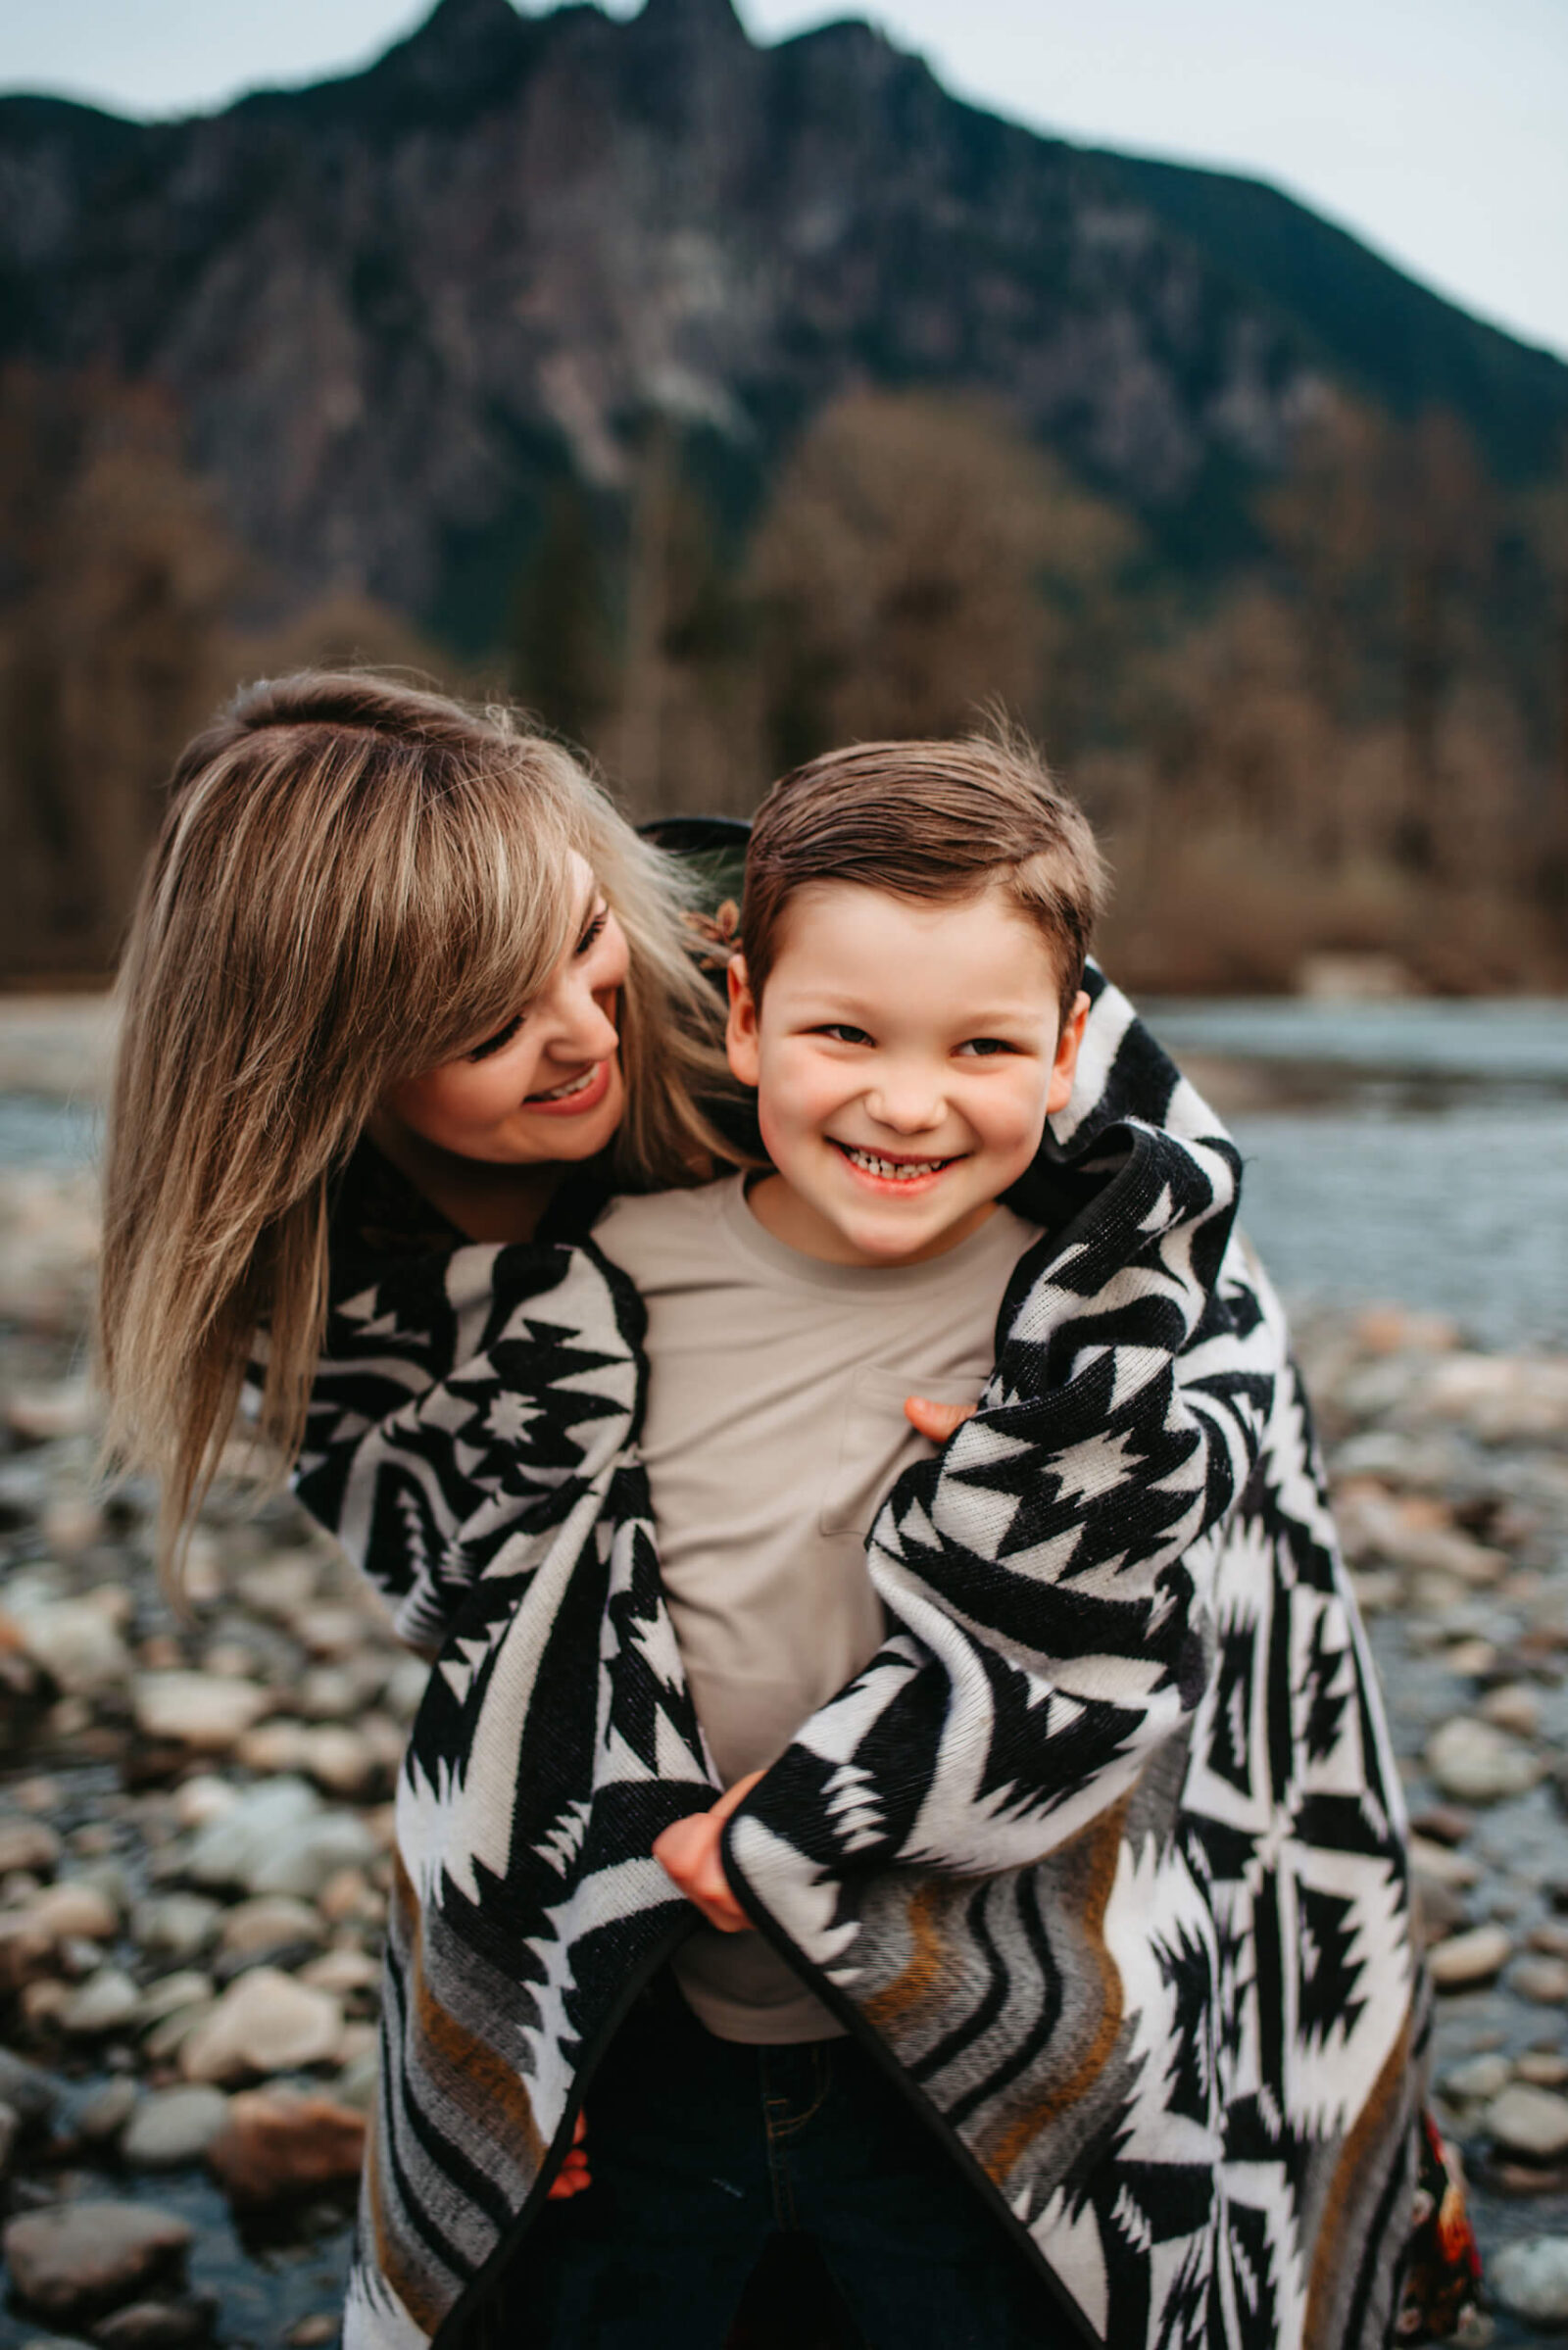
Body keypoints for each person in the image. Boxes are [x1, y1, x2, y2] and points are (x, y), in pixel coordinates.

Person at [292, 736, 1462, 2350]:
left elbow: (1137, 1649)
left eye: (979, 1045)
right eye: (845, 1031)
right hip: (655, 2049)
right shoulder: (611, 1268)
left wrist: (825, 1794)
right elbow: (430, 1484)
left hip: (980, 2047)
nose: (906, 1100)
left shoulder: (1095, 1336)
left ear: (1063, 1053)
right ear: (744, 1015)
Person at [97, 669, 733, 1594]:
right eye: (496, 1029)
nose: (596, 1035)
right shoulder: (297, 1286)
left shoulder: (790, 1009)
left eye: (588, 933)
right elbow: (472, 1599)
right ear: (322, 1077)